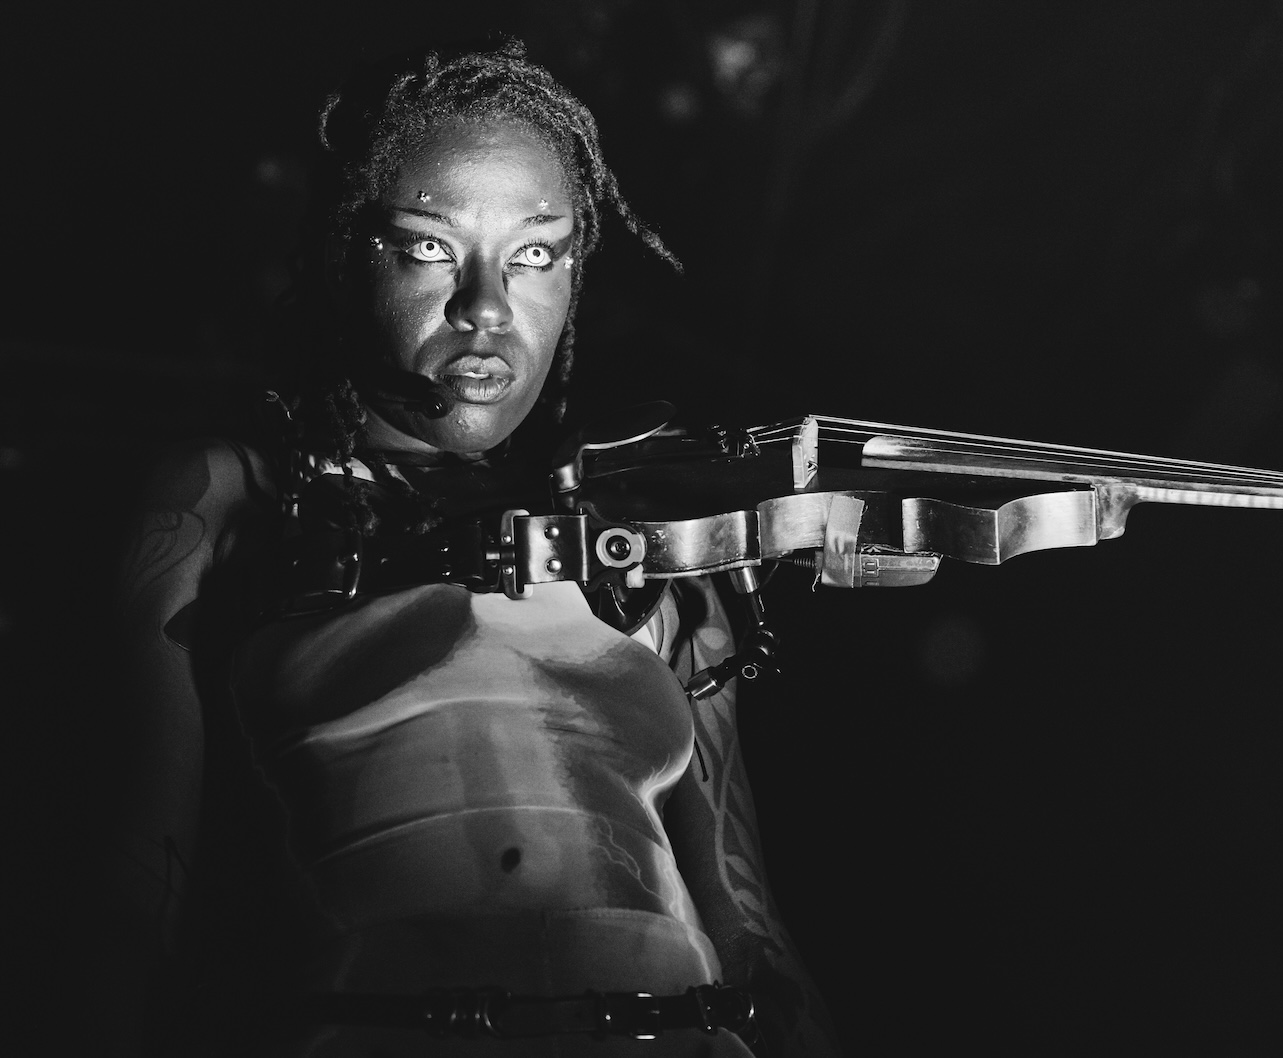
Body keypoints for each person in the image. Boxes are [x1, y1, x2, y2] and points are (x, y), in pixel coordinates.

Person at [109, 39, 839, 1058]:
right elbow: (128, 898)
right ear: (345, 251)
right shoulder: (226, 499)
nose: (487, 307)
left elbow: (747, 921)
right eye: (429, 247)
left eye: (536, 254)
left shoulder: (646, 542)